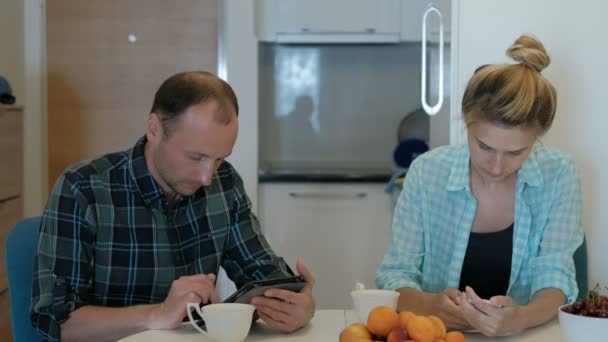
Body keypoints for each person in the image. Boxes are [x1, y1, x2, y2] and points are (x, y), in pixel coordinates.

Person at [31, 71, 316, 341]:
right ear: (154, 129)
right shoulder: (83, 188)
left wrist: (295, 304)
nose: (207, 177)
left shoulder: (225, 182)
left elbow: (260, 271)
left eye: (219, 159)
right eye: (195, 157)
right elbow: (57, 323)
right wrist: (157, 314)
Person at [376, 34, 583, 336]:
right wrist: (426, 304)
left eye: (516, 152)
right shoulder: (427, 173)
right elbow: (396, 273)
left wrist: (522, 317)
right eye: (484, 146)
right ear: (466, 123)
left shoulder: (559, 174)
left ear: (536, 139)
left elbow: (556, 276)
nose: (497, 167)